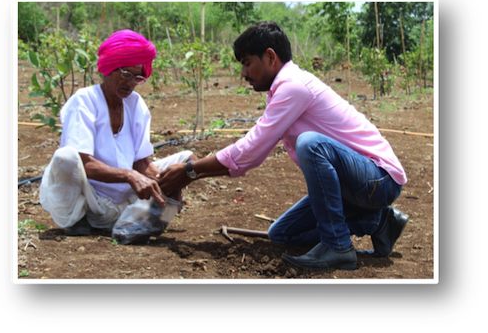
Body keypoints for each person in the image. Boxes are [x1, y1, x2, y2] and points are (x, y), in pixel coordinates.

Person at [158, 21, 409, 271]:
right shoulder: (281, 90)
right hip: (355, 185)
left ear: (270, 56)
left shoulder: (294, 87)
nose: (243, 74)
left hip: (378, 180)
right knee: (282, 234)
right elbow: (252, 156)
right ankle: (378, 221)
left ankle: (338, 246)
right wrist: (191, 174)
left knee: (310, 144)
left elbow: (251, 148)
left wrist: (189, 170)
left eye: (247, 63)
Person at [39, 29, 196, 236]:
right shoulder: (84, 100)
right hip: (90, 198)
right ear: (108, 68)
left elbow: (141, 163)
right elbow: (85, 163)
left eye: (137, 77)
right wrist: (130, 176)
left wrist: (165, 183)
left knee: (187, 162)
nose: (131, 83)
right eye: (126, 74)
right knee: (65, 157)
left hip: (125, 199)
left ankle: (158, 217)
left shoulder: (136, 104)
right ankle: (76, 220)